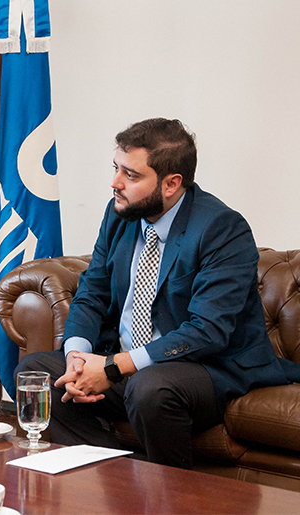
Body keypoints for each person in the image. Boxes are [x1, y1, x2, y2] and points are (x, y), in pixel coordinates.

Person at [15, 117, 296, 469]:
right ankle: (114, 482)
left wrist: (115, 367)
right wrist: (78, 357)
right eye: (116, 168)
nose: (115, 183)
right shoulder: (121, 214)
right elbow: (92, 292)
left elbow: (207, 331)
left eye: (131, 175)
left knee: (151, 387)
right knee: (37, 370)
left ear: (171, 184)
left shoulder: (222, 228)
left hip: (207, 368)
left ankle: (174, 498)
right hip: (130, 367)